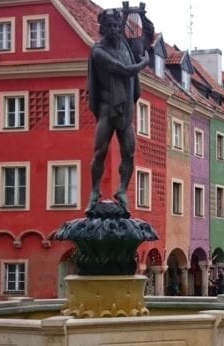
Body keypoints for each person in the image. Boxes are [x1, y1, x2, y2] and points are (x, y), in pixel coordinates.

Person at [86, 8, 152, 212]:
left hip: (125, 110)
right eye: (109, 26)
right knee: (99, 151)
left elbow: (144, 36)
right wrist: (145, 62)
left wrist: (141, 17)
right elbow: (124, 70)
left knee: (129, 153)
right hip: (107, 107)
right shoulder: (98, 51)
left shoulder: (124, 44)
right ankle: (95, 192)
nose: (114, 29)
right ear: (102, 29)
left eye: (116, 25)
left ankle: (122, 190)